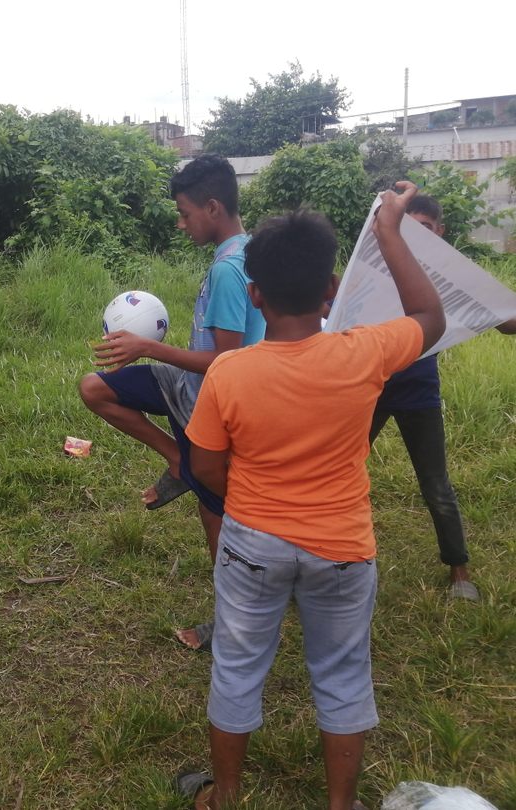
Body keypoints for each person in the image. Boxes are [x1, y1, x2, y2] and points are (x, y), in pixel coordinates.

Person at [176, 184, 445, 810]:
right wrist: (388, 232)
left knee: (238, 666)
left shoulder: (229, 373)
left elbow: (205, 465)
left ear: (255, 295)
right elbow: (430, 318)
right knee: (343, 673)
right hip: (344, 547)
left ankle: (226, 794)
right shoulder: (366, 352)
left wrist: (253, 505)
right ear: (329, 290)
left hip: (251, 544)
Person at [78, 155, 265, 651]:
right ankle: (177, 459)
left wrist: (148, 348)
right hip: (188, 387)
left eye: (185, 213)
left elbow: (226, 360)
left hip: (215, 404)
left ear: (212, 207)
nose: (181, 224)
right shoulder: (245, 253)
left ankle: (232, 624)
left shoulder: (230, 269)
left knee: (217, 515)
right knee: (95, 387)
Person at [369, 193, 516, 601]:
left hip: (419, 391)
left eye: (426, 230)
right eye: (409, 229)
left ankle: (459, 570)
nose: (418, 238)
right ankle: (322, 557)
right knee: (339, 468)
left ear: (441, 232)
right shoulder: (380, 263)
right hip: (371, 385)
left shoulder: (450, 276)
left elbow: (507, 322)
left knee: (435, 482)